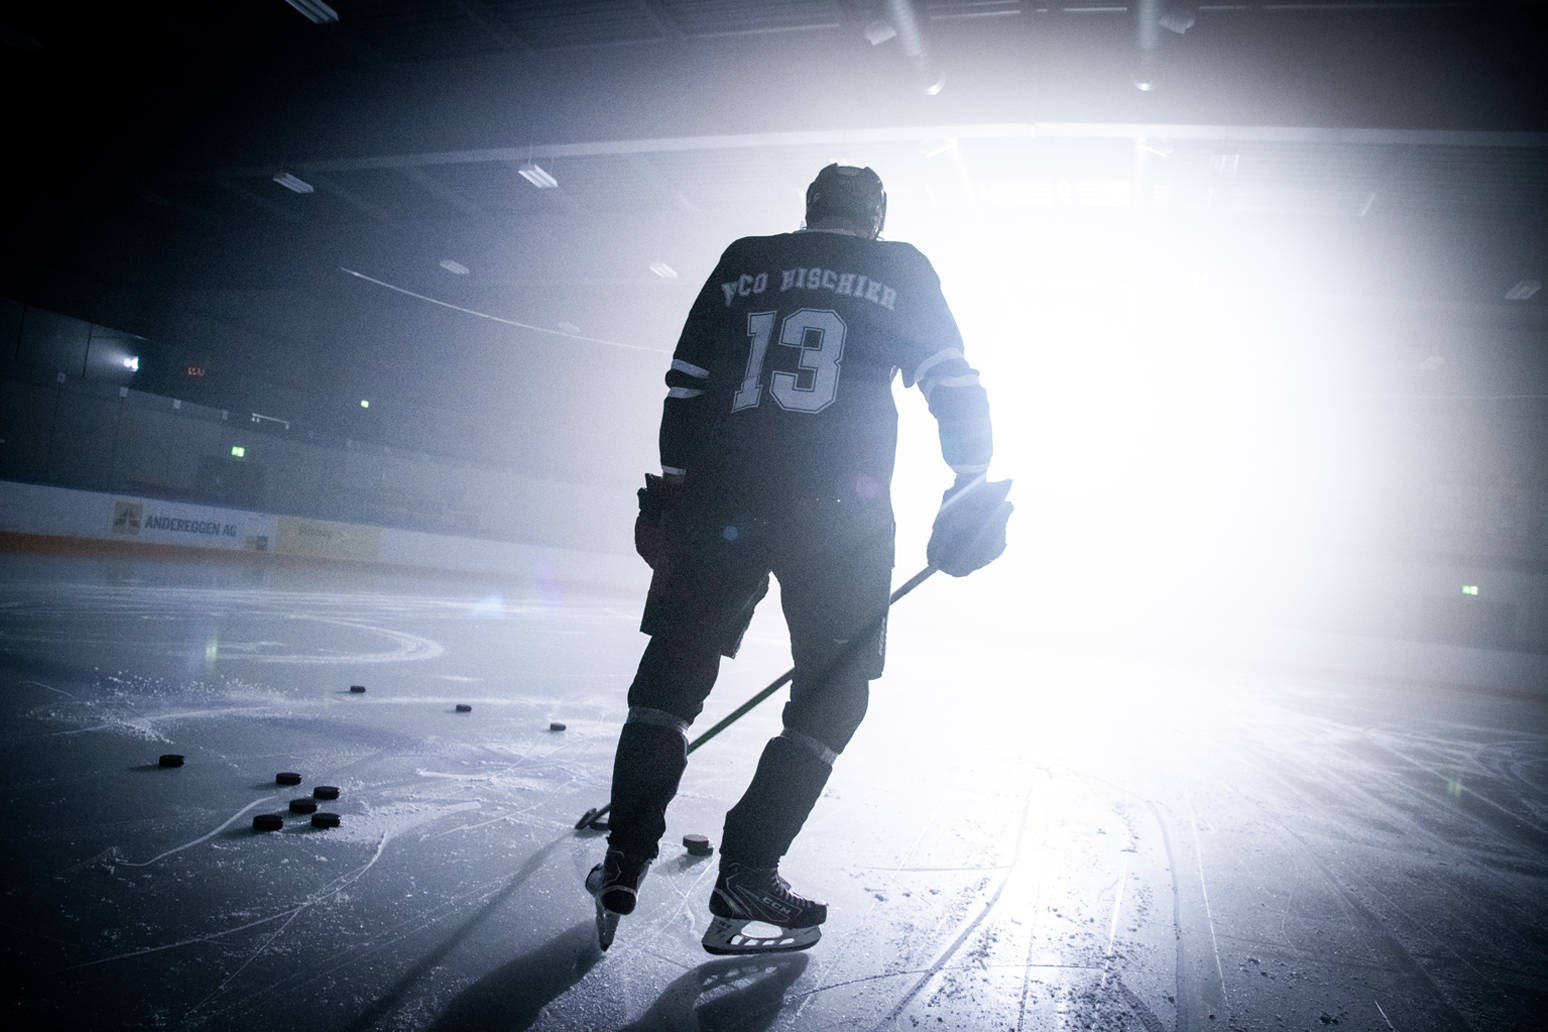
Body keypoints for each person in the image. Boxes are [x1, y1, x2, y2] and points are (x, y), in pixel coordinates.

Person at [586, 163, 1010, 955]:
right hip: (841, 520)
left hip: (722, 506)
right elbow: (949, 377)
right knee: (833, 692)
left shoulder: (747, 258)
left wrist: (675, 489)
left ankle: (624, 853)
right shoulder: (899, 267)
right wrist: (971, 481)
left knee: (672, 678)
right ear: (875, 218)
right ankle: (750, 868)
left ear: (809, 209)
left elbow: (685, 384)